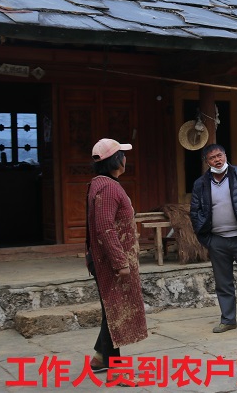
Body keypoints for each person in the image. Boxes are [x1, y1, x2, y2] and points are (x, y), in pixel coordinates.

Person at [86, 138, 148, 374]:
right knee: (114, 310)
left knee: (110, 308)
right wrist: (120, 262)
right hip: (111, 261)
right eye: (122, 154)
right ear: (116, 160)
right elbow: (105, 228)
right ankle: (114, 367)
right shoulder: (108, 188)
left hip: (107, 259)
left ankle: (101, 357)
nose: (125, 158)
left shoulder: (101, 184)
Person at [190, 144, 237, 333]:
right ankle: (228, 319)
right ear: (207, 162)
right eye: (212, 158)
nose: (217, 160)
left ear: (225, 155)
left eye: (219, 155)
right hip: (217, 240)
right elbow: (195, 212)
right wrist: (206, 238)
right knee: (223, 282)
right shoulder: (201, 183)